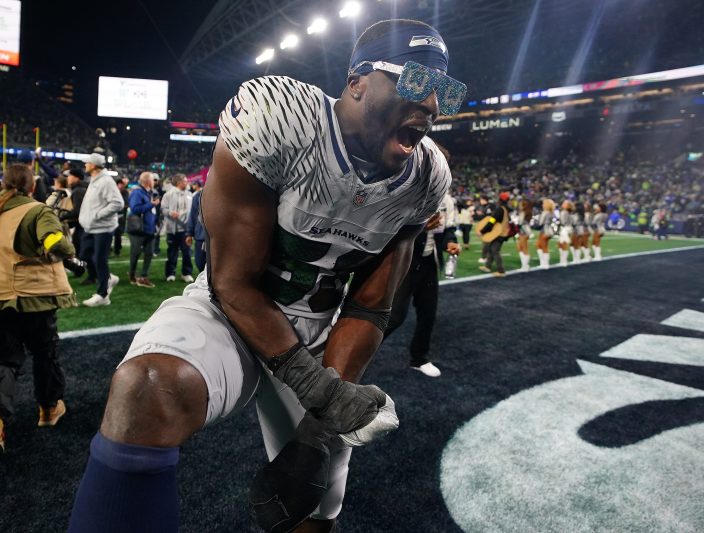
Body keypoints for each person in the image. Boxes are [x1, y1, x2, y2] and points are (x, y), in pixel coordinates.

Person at [68, 18, 461, 533]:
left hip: (322, 328)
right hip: (231, 307)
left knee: (313, 508)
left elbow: (370, 305)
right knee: (146, 389)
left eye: (445, 91)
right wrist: (321, 393)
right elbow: (233, 282)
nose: (432, 104)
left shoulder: (427, 176)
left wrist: (317, 430)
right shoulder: (281, 118)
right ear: (357, 82)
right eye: (417, 81)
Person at [0, 164, 77, 458]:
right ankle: (48, 409)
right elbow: (55, 243)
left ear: (3, 183)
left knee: (2, 358)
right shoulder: (36, 211)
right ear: (32, 186)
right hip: (29, 298)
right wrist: (68, 252)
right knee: (44, 353)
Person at [385, 211, 460, 377]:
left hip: (429, 262)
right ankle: (357, 352)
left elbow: (448, 229)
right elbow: (391, 225)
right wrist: (419, 229)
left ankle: (419, 358)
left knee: (428, 313)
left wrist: (450, 242)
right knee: (394, 317)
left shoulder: (447, 199)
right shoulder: (413, 196)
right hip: (405, 260)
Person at [78, 153, 123, 306]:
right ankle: (108, 277)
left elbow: (118, 203)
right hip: (91, 227)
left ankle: (103, 295)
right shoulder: (95, 180)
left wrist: (97, 215)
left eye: (87, 163)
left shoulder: (106, 181)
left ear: (94, 165)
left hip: (103, 227)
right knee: (84, 255)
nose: (85, 165)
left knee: (99, 259)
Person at [127, 172, 159, 287]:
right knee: (135, 253)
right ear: (147, 181)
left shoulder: (150, 192)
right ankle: (132, 274)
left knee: (149, 253)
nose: (154, 182)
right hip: (138, 229)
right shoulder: (137, 192)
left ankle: (143, 277)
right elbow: (135, 209)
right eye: (152, 179)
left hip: (150, 228)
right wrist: (151, 204)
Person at [161, 173, 194, 283]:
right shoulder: (168, 195)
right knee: (172, 252)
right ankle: (170, 273)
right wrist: (170, 213)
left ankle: (186, 273)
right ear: (179, 182)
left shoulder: (190, 194)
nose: (187, 182)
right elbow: (163, 209)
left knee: (187, 252)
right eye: (185, 181)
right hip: (173, 229)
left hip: (186, 229)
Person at [478, 191, 511, 277]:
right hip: (503, 233)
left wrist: (482, 231)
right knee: (491, 248)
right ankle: (487, 266)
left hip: (498, 233)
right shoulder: (506, 209)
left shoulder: (499, 209)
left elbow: (492, 221)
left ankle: (501, 271)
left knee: (495, 250)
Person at [185, 186, 207, 273]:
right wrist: (189, 234)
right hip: (201, 236)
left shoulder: (222, 193)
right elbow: (193, 215)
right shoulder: (198, 195)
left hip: (217, 238)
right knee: (200, 263)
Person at [535, 198, 556, 269]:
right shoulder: (551, 212)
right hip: (550, 230)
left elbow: (540, 223)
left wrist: (535, 224)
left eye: (544, 204)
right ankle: (543, 263)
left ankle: (545, 264)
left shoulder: (545, 212)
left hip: (544, 230)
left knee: (543, 247)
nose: (542, 205)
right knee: (540, 245)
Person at [112, 177, 130, 257]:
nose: (120, 186)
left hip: (120, 215)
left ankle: (117, 249)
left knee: (118, 233)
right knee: (110, 233)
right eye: (119, 184)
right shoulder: (112, 192)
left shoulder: (125, 192)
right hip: (111, 215)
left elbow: (126, 204)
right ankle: (109, 249)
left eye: (122, 184)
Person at [515, 198, 534, 271]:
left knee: (524, 248)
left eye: (520, 204)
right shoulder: (526, 212)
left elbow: (520, 223)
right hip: (524, 230)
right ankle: (524, 265)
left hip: (524, 231)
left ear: (524, 205)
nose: (519, 206)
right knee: (520, 247)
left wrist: (515, 230)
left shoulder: (523, 212)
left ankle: (525, 266)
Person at [557, 200, 574, 267]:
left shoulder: (564, 212)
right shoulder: (569, 212)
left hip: (565, 229)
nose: (563, 204)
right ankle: (563, 260)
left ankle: (564, 261)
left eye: (565, 204)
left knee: (563, 244)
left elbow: (563, 222)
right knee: (561, 244)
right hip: (569, 228)